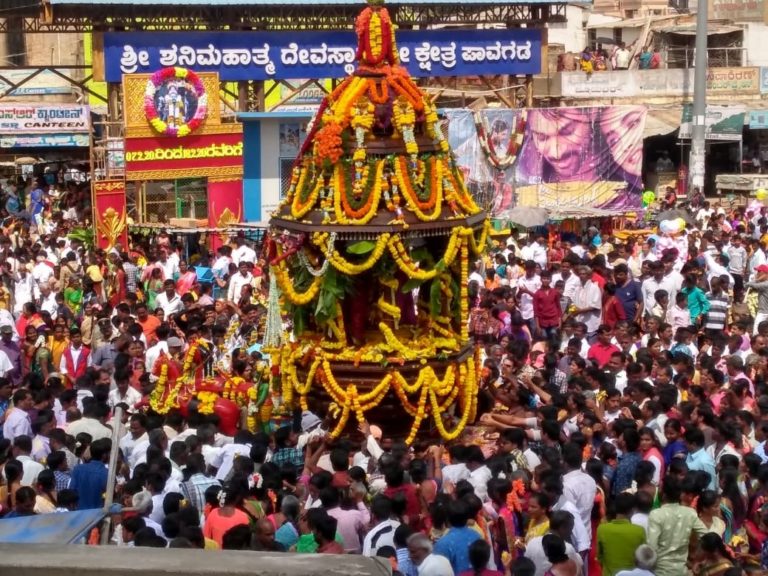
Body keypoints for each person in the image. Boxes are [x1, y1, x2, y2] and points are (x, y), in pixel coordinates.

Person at [647, 479, 707, 576]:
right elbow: (707, 536)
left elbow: (651, 547)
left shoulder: (656, 515)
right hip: (681, 571)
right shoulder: (690, 513)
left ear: (664, 494)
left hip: (660, 571)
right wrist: (698, 559)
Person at [597, 492, 647, 576]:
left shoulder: (602, 529)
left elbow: (599, 556)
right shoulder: (639, 531)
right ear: (632, 510)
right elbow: (643, 557)